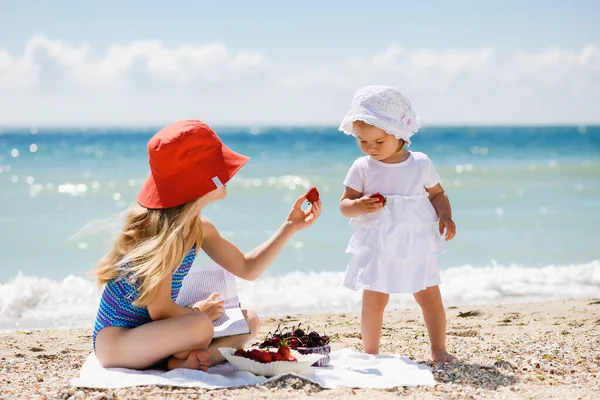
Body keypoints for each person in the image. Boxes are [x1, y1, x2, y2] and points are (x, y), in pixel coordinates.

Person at [92, 119, 322, 371]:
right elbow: (159, 309)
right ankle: (180, 357)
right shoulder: (163, 234)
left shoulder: (200, 227)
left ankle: (178, 362)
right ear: (199, 180)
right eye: (219, 166)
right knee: (200, 326)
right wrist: (197, 312)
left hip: (155, 334)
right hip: (118, 342)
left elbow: (248, 268)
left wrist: (290, 226)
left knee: (249, 320)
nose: (228, 173)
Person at [338, 85, 456, 362]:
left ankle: (438, 349)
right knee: (374, 300)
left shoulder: (420, 163)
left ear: (400, 133)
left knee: (429, 296)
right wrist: (358, 205)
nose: (370, 148)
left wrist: (445, 215)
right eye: (363, 142)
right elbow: (345, 204)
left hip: (416, 243)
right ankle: (371, 353)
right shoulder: (362, 167)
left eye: (379, 142)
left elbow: (437, 193)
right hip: (378, 244)